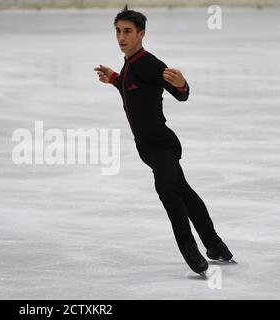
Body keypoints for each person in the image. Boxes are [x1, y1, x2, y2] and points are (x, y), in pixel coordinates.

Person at [94, 5, 234, 275]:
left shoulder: (149, 63)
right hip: (147, 147)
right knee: (185, 194)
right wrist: (114, 79)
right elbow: (132, 87)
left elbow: (181, 94)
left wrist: (182, 83)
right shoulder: (131, 64)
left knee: (169, 193)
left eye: (128, 31)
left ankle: (192, 254)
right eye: (118, 31)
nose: (121, 37)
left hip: (161, 144)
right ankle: (216, 246)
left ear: (141, 34)